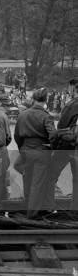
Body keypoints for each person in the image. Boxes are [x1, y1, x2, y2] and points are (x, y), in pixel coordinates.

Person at [14, 88, 56, 218]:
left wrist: (22, 149)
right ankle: (32, 215)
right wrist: (51, 147)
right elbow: (53, 135)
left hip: (26, 149)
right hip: (41, 151)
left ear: (33, 99)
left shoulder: (22, 114)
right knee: (37, 183)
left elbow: (16, 135)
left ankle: (28, 207)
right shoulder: (46, 116)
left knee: (27, 179)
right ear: (45, 101)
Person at [48, 78, 78, 211]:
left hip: (68, 146)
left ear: (73, 88)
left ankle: (48, 206)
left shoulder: (72, 104)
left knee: (51, 174)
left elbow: (61, 126)